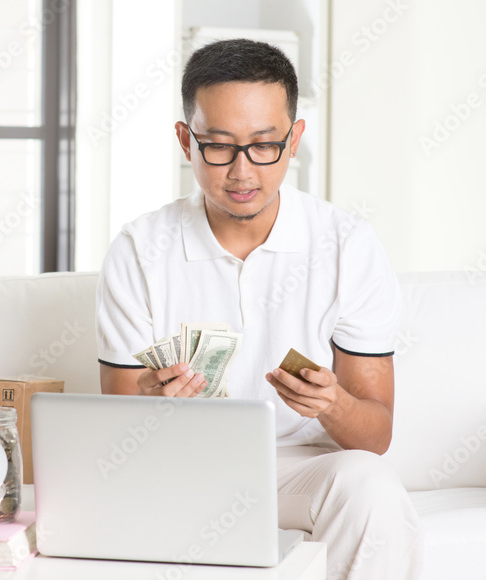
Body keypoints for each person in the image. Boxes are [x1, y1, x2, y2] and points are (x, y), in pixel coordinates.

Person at [96, 39, 423, 580]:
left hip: (299, 470)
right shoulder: (139, 248)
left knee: (373, 488)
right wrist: (150, 405)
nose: (242, 171)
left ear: (294, 140)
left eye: (264, 145)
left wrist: (333, 403)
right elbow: (119, 431)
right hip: (181, 469)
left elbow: (375, 437)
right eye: (219, 146)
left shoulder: (348, 245)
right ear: (186, 140)